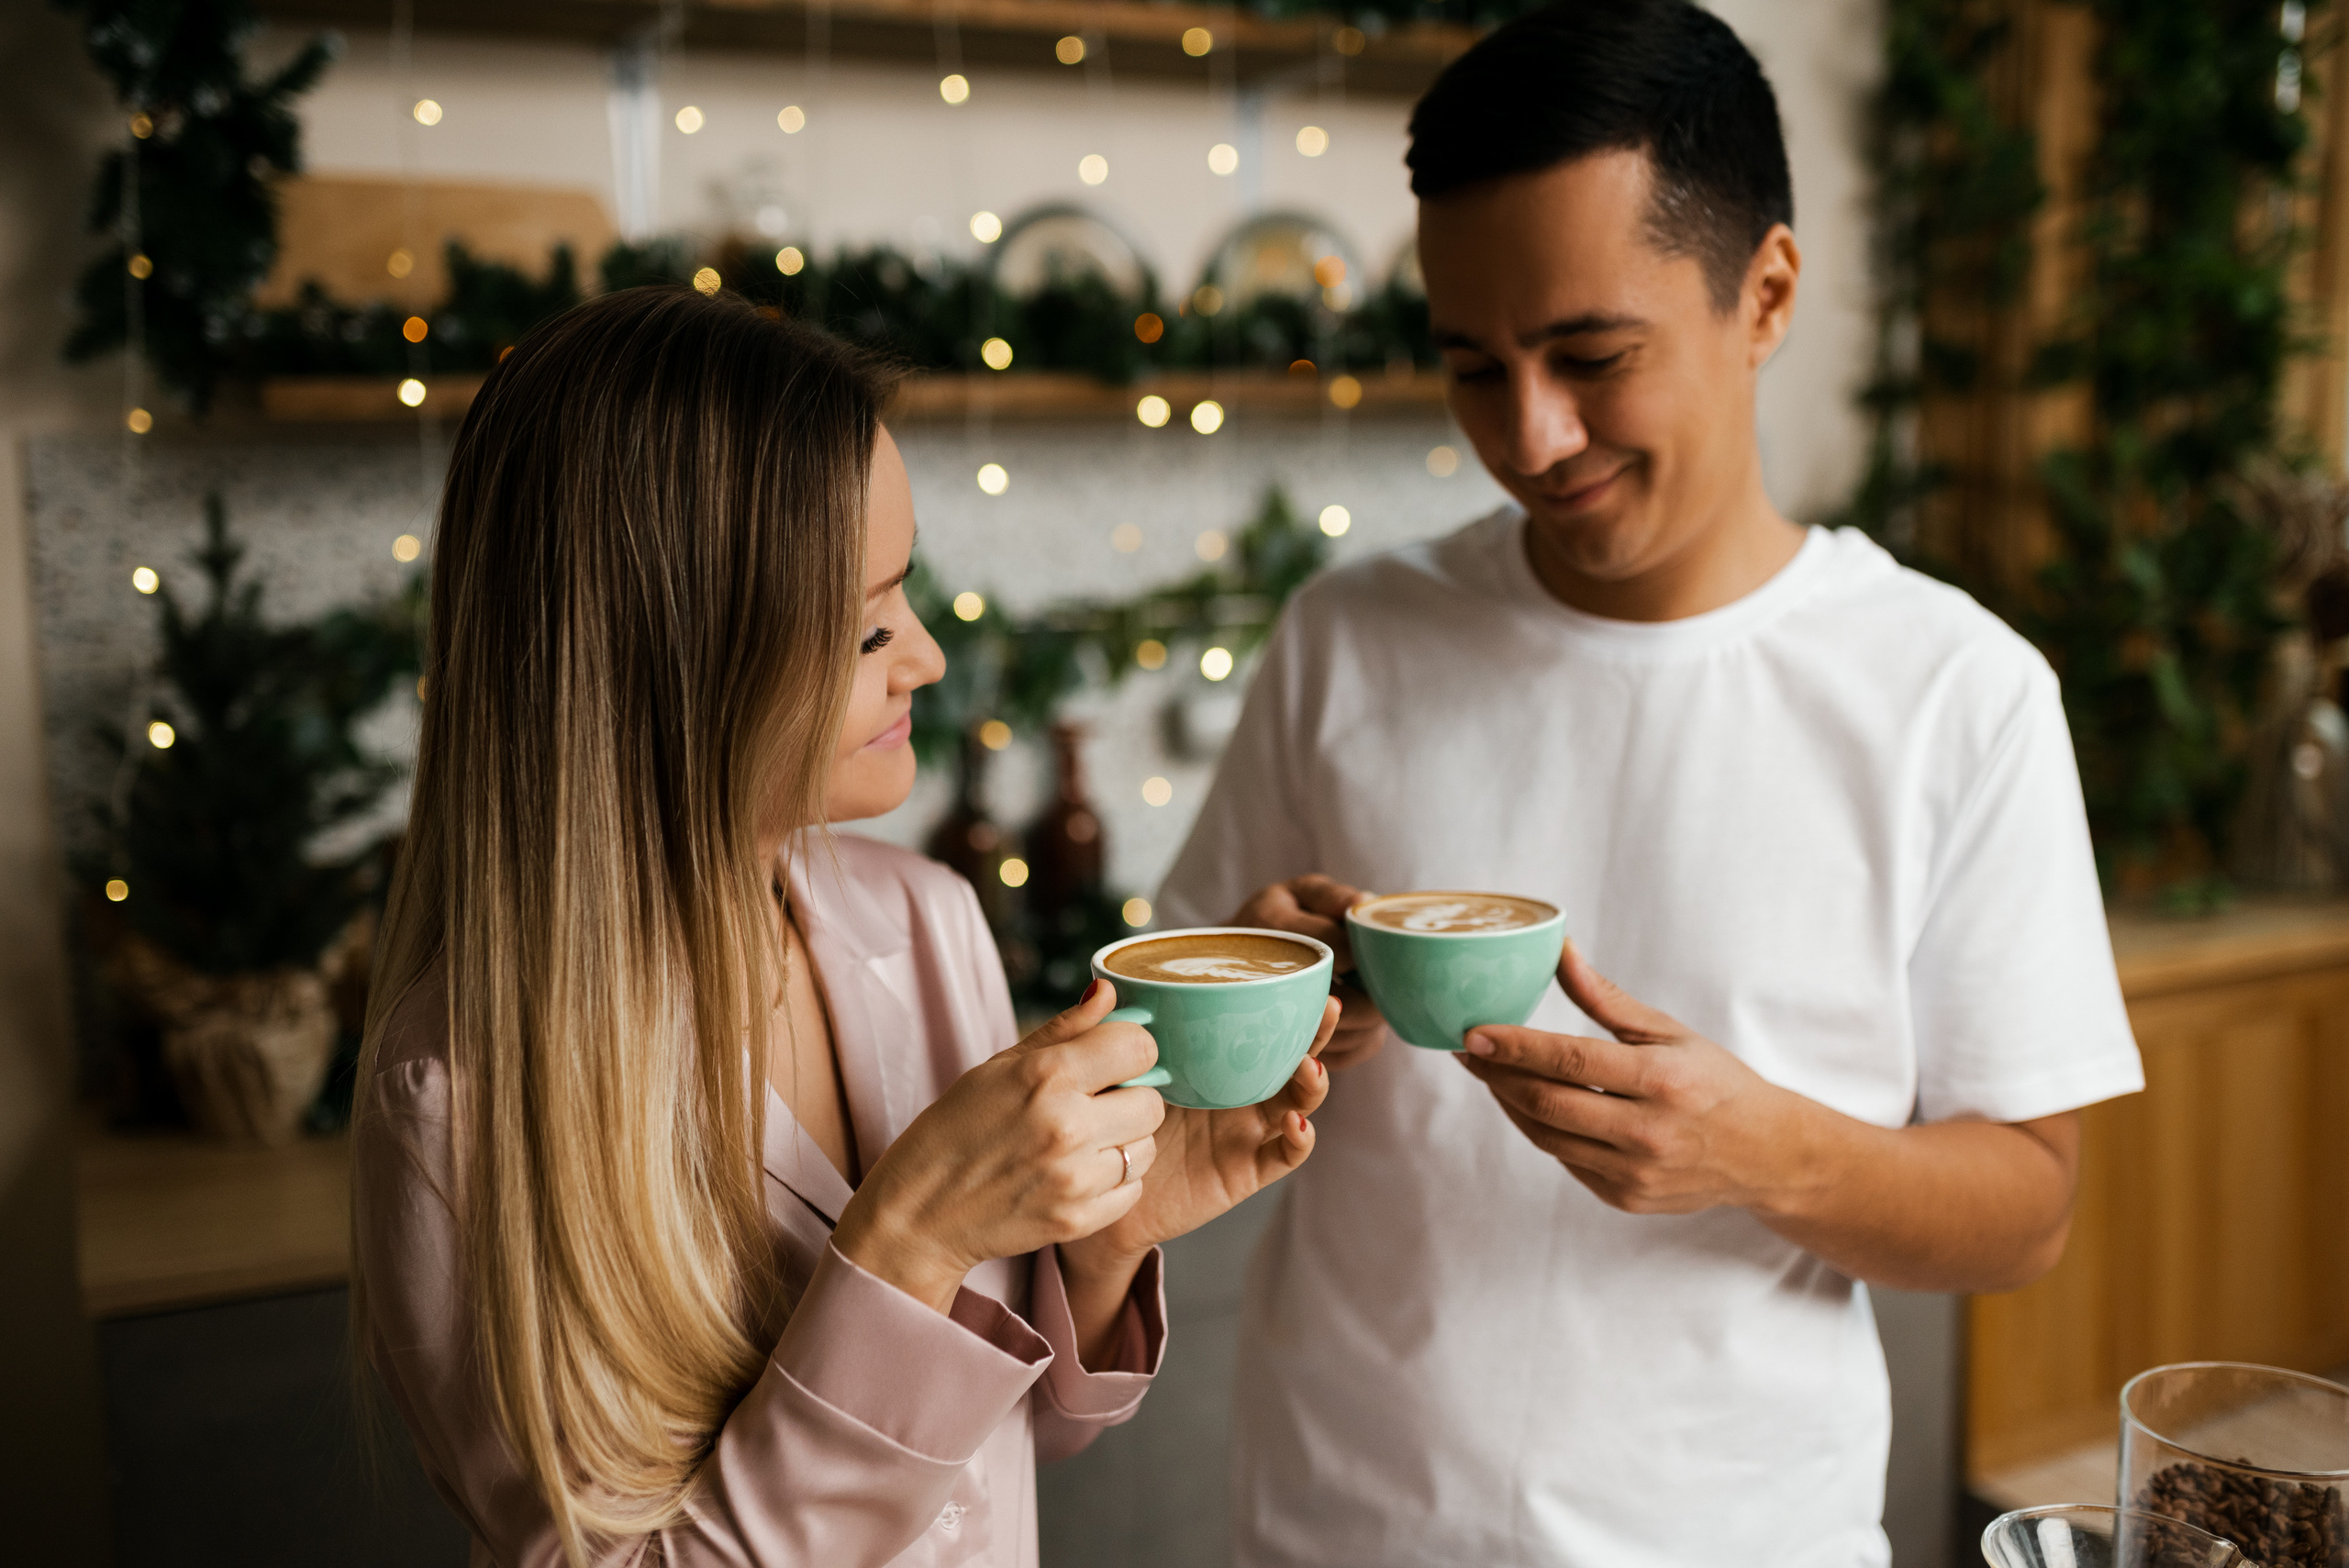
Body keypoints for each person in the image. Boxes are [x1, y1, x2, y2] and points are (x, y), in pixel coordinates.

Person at [1155, 3, 2145, 1562]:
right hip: (1335, 1523)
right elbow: (1166, 1085)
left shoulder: (1958, 695)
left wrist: (1761, 1150)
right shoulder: (1351, 636)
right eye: (1475, 367)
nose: (1531, 437)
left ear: (1766, 294)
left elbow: (2027, 1204)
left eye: (1592, 356)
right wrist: (1270, 1004)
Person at [350, 288, 1337, 1568]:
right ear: (677, 662)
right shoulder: (459, 1103)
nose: (923, 656)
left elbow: (993, 1450)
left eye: (905, 592)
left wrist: (1099, 1249)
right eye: (869, 623)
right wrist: (908, 1241)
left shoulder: (928, 923)